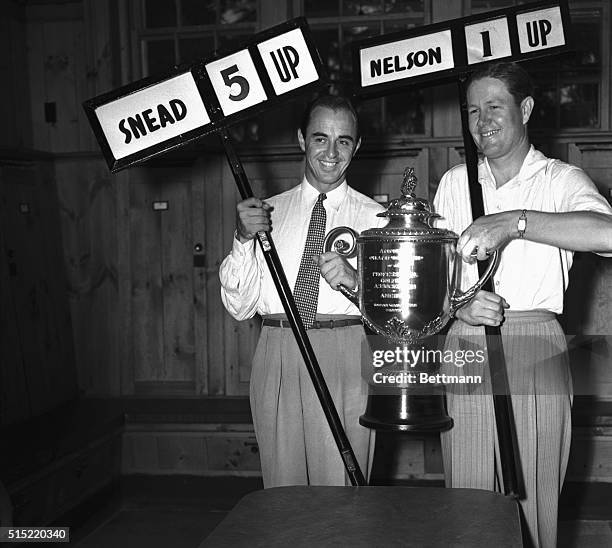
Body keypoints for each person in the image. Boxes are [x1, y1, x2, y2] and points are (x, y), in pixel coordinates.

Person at [432, 62, 612, 548]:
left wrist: (514, 222)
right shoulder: (454, 183)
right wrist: (457, 306)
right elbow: (435, 283)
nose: (481, 121)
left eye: (494, 106)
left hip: (536, 341)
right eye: (472, 110)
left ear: (525, 109)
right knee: (468, 500)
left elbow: (607, 233)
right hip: (467, 342)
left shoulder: (558, 179)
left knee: (533, 500)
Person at [219, 94, 386, 487]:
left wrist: (357, 283)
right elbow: (239, 308)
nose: (332, 151)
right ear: (301, 140)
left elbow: (399, 315)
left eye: (344, 140)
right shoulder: (265, 215)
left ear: (357, 146)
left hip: (346, 351)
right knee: (284, 492)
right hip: (279, 350)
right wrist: (243, 239)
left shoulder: (378, 219)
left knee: (345, 492)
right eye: (320, 138)